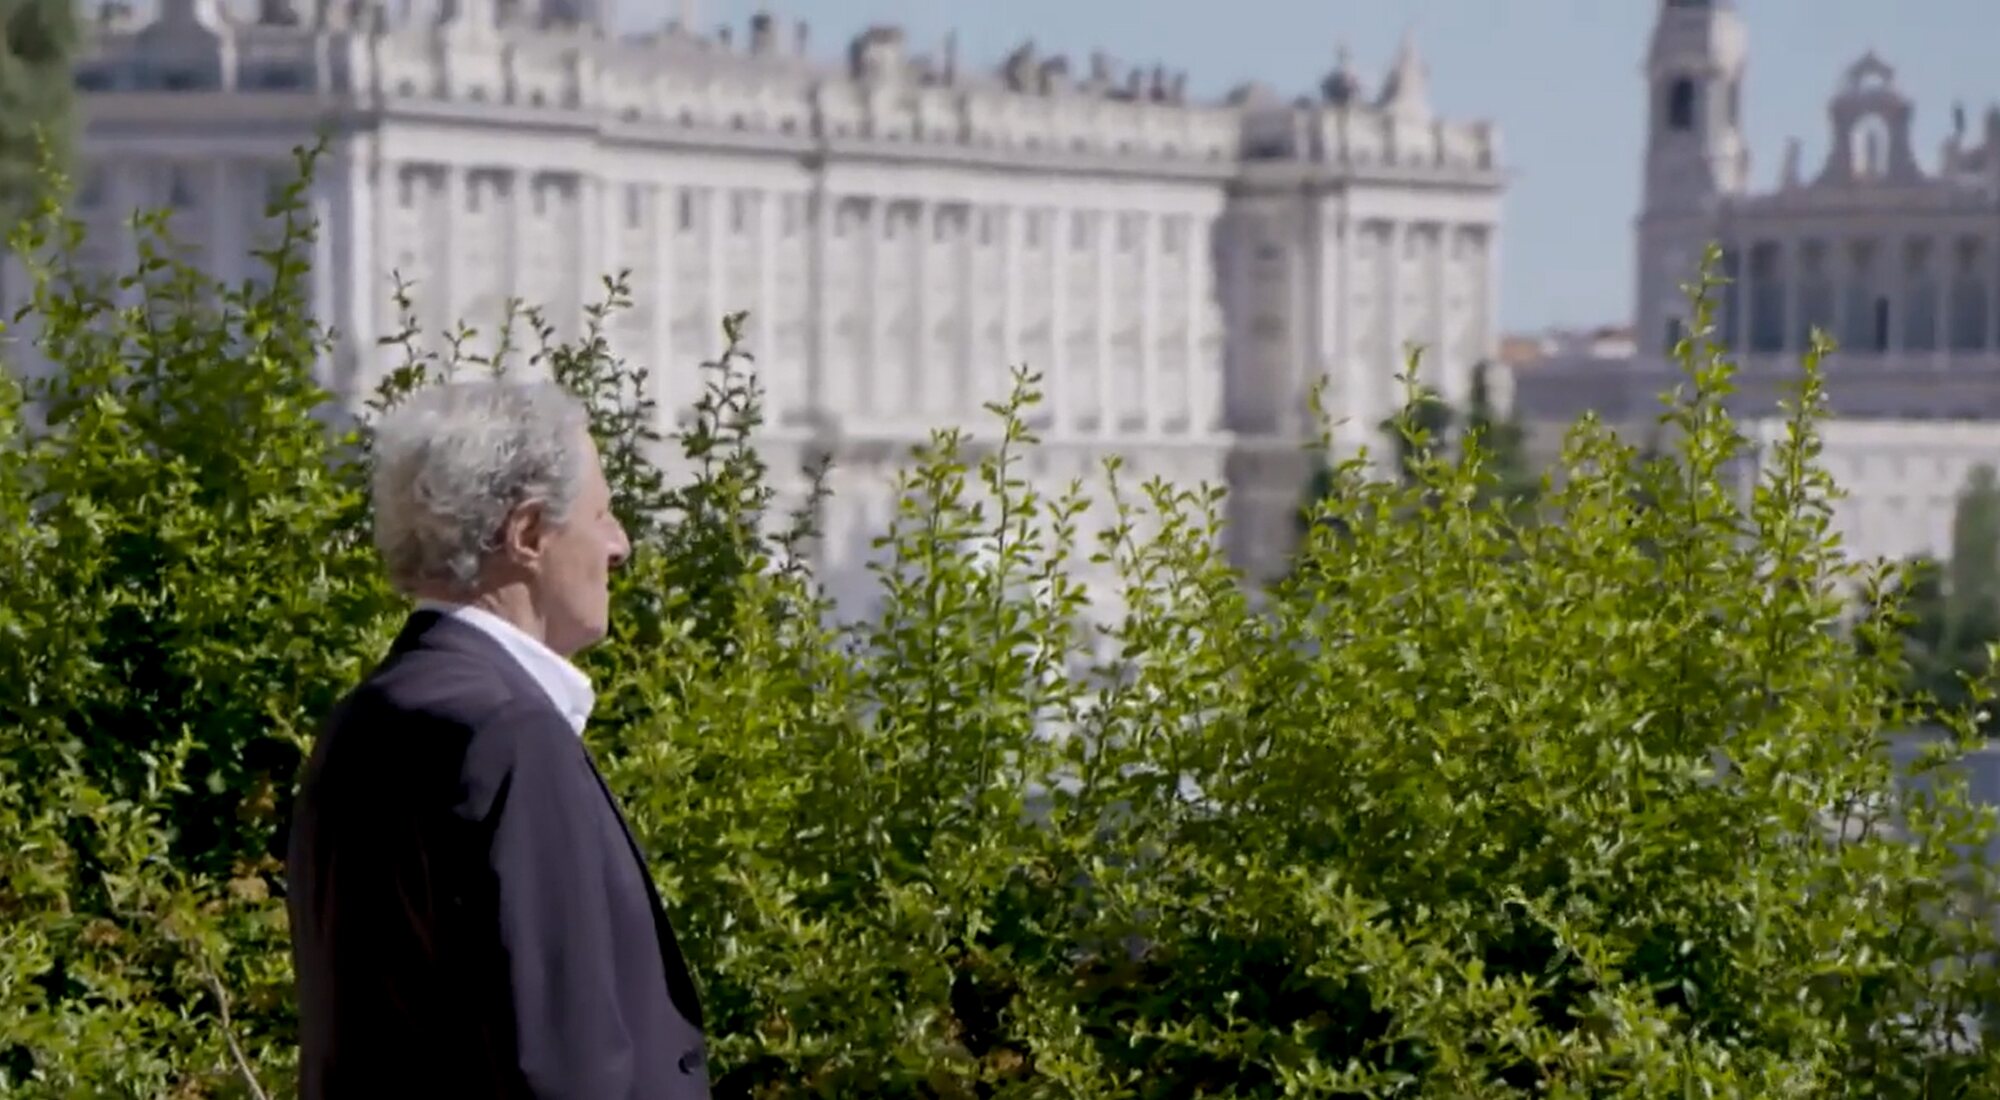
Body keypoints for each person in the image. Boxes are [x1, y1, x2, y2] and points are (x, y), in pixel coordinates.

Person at [285, 380, 708, 1098]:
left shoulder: (365, 718)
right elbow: (560, 1061)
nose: (619, 546)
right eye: (602, 514)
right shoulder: (508, 733)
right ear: (528, 534)